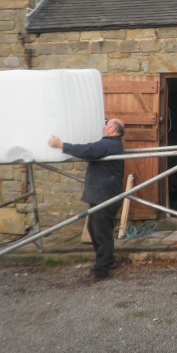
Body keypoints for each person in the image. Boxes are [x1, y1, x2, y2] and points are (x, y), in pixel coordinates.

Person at [48, 118, 125, 281]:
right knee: (95, 230)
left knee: (101, 234)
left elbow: (88, 150)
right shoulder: (112, 144)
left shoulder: (108, 145)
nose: (104, 126)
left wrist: (61, 145)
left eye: (107, 123)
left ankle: (102, 271)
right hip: (103, 195)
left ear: (112, 130)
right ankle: (107, 262)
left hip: (104, 196)